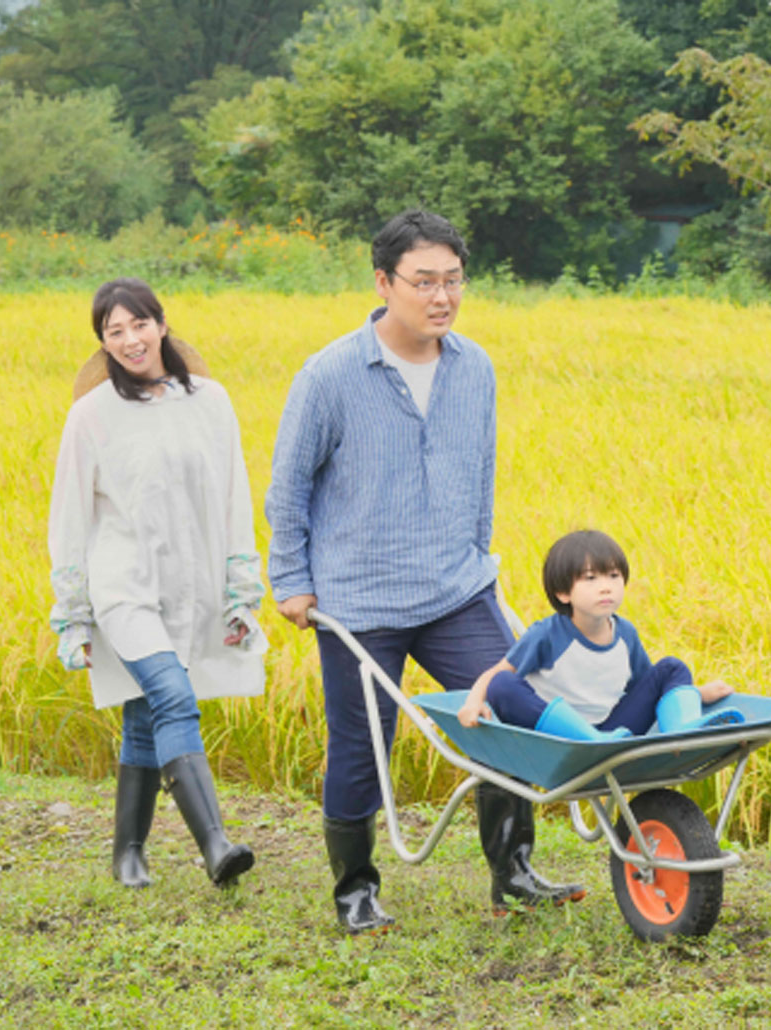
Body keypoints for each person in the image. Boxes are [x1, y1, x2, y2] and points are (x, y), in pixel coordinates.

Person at [265, 209, 583, 933]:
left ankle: (514, 871)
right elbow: (288, 487)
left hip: (454, 590)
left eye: (453, 281)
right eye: (424, 282)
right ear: (384, 282)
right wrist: (291, 580)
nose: (441, 297)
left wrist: (478, 554)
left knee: (509, 709)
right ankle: (355, 889)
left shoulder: (475, 367)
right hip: (359, 599)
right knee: (362, 742)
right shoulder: (331, 374)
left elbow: (480, 473)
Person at [48, 277, 265, 891]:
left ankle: (128, 853)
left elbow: (233, 498)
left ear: (161, 325)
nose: (129, 339)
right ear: (104, 343)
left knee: (145, 716)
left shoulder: (211, 401)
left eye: (138, 324)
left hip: (191, 585)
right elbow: (69, 518)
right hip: (124, 587)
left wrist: (241, 592)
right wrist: (73, 616)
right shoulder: (90, 416)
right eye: (113, 331)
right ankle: (215, 844)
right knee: (172, 697)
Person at [457, 530, 742, 739]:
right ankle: (590, 742)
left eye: (614, 576)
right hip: (561, 738)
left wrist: (696, 694)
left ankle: (683, 729)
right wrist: (473, 703)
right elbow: (493, 675)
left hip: (612, 731)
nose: (606, 587)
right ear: (563, 593)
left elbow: (645, 686)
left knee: (671, 668)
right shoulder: (547, 635)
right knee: (504, 684)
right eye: (591, 579)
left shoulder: (625, 634)